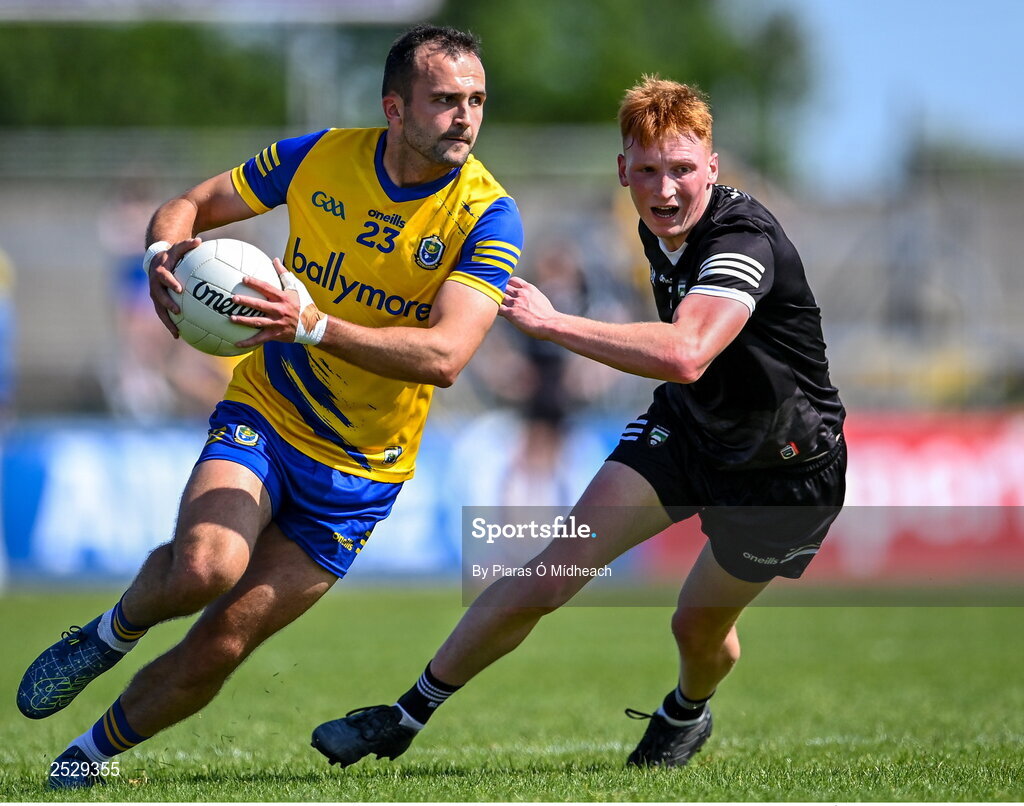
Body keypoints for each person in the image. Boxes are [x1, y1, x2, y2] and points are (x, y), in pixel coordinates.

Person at [17, 23, 522, 789]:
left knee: (223, 642)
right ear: (394, 108)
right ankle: (107, 634)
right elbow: (189, 205)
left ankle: (81, 761)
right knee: (205, 566)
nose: (465, 116)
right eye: (445, 99)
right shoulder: (318, 157)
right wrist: (160, 260)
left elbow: (447, 357)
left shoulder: (488, 215)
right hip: (268, 411)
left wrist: (313, 324)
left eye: (476, 100)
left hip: (361, 471)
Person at [311, 76, 846, 770]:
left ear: (713, 168)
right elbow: (687, 376)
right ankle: (404, 715)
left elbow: (686, 353)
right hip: (687, 434)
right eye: (648, 171)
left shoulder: (744, 239)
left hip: (786, 469)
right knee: (548, 573)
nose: (665, 190)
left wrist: (552, 323)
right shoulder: (655, 227)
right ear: (623, 169)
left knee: (698, 625)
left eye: (683, 170)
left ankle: (685, 710)